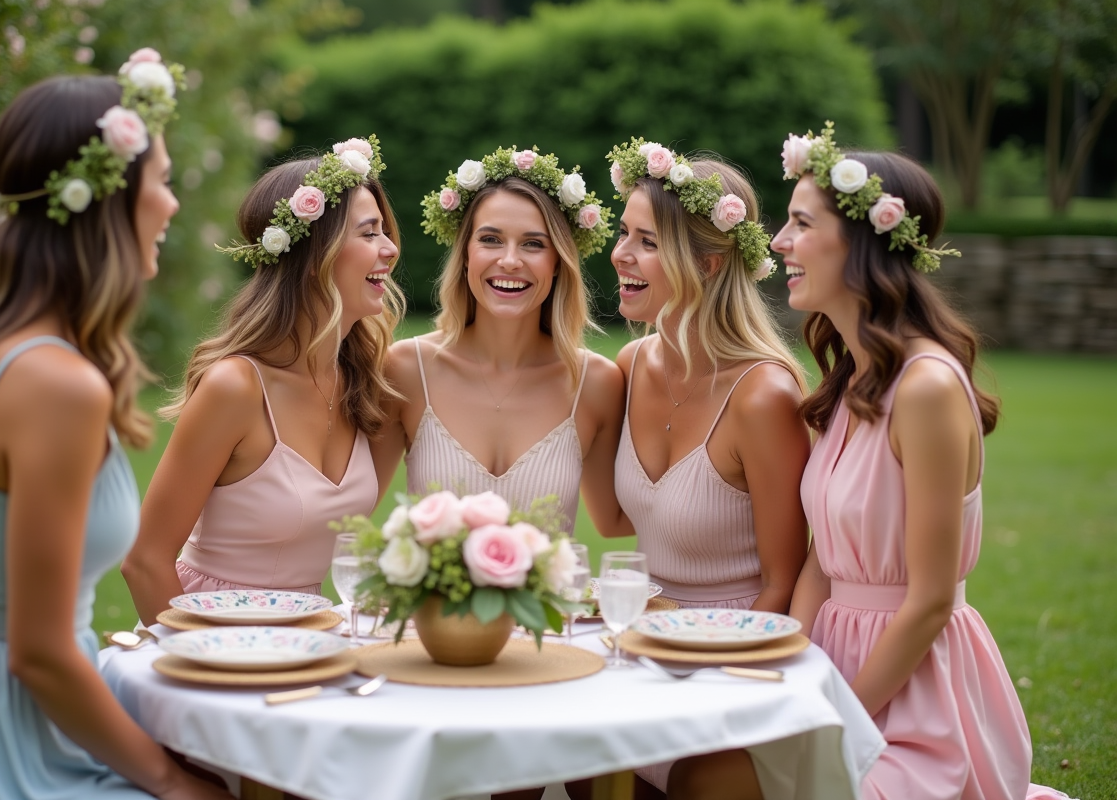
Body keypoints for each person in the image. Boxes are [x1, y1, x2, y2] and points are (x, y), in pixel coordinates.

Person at [668, 123, 1075, 800]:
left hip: (913, 694)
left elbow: (931, 600)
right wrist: (783, 673)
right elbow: (822, 565)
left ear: (862, 243)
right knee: (698, 769)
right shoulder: (852, 383)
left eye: (800, 223)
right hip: (829, 662)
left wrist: (838, 719)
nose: (778, 243)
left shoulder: (927, 388)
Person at [0, 55, 230, 799]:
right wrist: (173, 783)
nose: (174, 204)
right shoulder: (57, 385)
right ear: (107, 203)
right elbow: (40, 654)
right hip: (1, 739)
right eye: (161, 180)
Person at [122, 137, 403, 625]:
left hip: (309, 636)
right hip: (213, 633)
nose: (390, 248)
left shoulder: (367, 386)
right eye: (369, 232)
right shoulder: (236, 388)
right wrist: (207, 658)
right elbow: (144, 562)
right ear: (317, 253)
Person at [372, 146, 630, 540]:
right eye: (491, 239)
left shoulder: (596, 383)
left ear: (558, 262)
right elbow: (348, 506)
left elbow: (621, 521)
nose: (510, 261)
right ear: (466, 255)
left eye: (533, 244)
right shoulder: (406, 369)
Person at [605, 139, 810, 615]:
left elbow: (785, 584)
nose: (621, 254)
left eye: (649, 242)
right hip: (642, 628)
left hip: (732, 638)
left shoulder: (763, 397)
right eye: (624, 233)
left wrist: (721, 665)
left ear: (707, 264)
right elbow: (613, 520)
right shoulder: (629, 365)